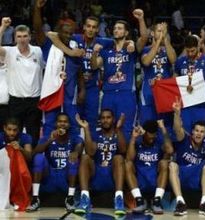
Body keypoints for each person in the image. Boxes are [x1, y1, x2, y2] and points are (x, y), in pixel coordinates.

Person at [91, 9, 148, 142]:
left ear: (126, 33)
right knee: (106, 127)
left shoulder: (131, 49)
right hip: (108, 94)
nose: (116, 30)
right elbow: (94, 66)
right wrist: (94, 53)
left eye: (120, 28)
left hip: (126, 93)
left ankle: (126, 158)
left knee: (126, 128)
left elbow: (144, 38)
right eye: (115, 28)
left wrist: (140, 19)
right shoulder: (106, 51)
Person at [33, 0, 85, 138]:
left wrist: (82, 89)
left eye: (70, 33)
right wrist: (38, 9)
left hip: (70, 93)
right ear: (58, 33)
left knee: (73, 125)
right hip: (52, 91)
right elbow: (38, 29)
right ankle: (47, 154)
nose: (68, 36)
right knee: (50, 124)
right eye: (65, 33)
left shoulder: (75, 47)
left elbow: (79, 69)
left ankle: (74, 155)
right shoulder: (49, 45)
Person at [0, 17, 44, 147]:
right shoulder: (10, 52)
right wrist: (3, 27)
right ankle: (14, 166)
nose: (22, 39)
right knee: (13, 137)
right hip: (16, 102)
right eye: (19, 36)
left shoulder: (38, 51)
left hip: (34, 101)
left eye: (25, 36)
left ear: (30, 37)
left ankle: (31, 165)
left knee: (33, 136)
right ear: (15, 38)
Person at [26, 113, 83, 212]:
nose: (62, 124)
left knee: (74, 159)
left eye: (65, 122)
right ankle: (35, 198)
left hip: (66, 177)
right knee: (39, 158)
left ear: (69, 125)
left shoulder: (74, 137)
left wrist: (76, 152)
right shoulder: (48, 137)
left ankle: (70, 199)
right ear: (56, 124)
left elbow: (79, 146)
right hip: (50, 176)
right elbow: (34, 153)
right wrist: (50, 140)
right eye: (60, 121)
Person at [75, 109, 126, 215]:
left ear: (113, 119)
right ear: (100, 120)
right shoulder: (95, 134)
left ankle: (119, 199)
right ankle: (85, 198)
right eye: (103, 118)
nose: (105, 120)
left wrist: (118, 129)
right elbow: (90, 152)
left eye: (108, 117)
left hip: (113, 174)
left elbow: (123, 150)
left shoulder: (118, 133)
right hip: (97, 173)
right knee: (85, 157)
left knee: (118, 158)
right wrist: (86, 129)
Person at [169, 98, 205, 216]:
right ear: (192, 132)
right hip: (182, 175)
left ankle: (204, 203)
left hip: (195, 179)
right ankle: (180, 202)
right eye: (196, 130)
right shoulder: (184, 139)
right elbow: (177, 129)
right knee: (172, 165)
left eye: (202, 131)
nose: (199, 133)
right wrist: (177, 113)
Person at [125, 120, 173, 214]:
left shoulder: (158, 143)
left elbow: (170, 150)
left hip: (155, 183)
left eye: (154, 136)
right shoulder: (138, 142)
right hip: (140, 183)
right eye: (149, 137)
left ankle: (157, 201)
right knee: (128, 164)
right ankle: (139, 201)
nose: (152, 139)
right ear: (144, 133)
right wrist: (133, 138)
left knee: (164, 163)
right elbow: (129, 158)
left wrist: (163, 129)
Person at [139, 22, 176, 132]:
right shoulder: (145, 50)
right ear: (152, 33)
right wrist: (159, 41)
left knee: (165, 126)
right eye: (159, 31)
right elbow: (146, 62)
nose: (162, 34)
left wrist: (165, 40)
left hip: (165, 93)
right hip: (148, 93)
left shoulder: (167, 49)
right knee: (147, 126)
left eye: (163, 31)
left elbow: (173, 59)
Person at [174, 35, 205, 134]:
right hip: (185, 107)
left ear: (198, 47)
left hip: (202, 106)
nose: (190, 53)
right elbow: (174, 81)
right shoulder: (180, 61)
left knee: (201, 135)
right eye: (187, 51)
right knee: (184, 135)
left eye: (192, 51)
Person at [0, 117, 32, 210]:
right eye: (9, 129)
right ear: (4, 128)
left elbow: (29, 157)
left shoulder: (25, 137)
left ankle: (17, 198)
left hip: (18, 171)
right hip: (2, 171)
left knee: (16, 152)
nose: (12, 133)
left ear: (19, 130)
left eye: (15, 130)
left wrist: (20, 149)